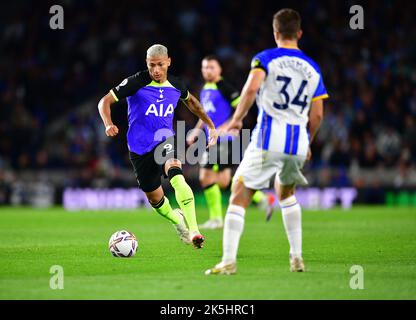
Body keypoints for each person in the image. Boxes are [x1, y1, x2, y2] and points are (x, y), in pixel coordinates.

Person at [205, 8, 328, 274]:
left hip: (268, 138)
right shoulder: (312, 67)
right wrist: (309, 141)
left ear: (275, 33)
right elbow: (317, 114)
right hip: (297, 143)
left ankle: (228, 261)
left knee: (239, 192)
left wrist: (237, 119)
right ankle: (296, 257)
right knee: (286, 194)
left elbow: (250, 88)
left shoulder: (265, 58)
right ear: (299, 33)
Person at [98, 44, 218, 249]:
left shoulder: (176, 85)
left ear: (168, 62)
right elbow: (104, 101)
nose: (156, 70)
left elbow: (193, 104)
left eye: (160, 65)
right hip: (138, 148)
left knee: (176, 175)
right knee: (156, 200)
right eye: (152, 65)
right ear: (147, 63)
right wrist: (108, 123)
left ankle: (195, 231)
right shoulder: (136, 82)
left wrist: (210, 125)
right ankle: (178, 221)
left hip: (164, 141)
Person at [187, 55, 275, 230]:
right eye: (205, 67)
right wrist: (197, 131)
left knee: (205, 177)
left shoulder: (224, 87)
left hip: (224, 140)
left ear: (219, 69)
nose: (207, 70)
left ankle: (216, 219)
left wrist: (226, 127)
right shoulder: (206, 88)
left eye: (211, 67)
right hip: (215, 140)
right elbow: (204, 115)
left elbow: (240, 108)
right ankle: (262, 199)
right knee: (224, 181)